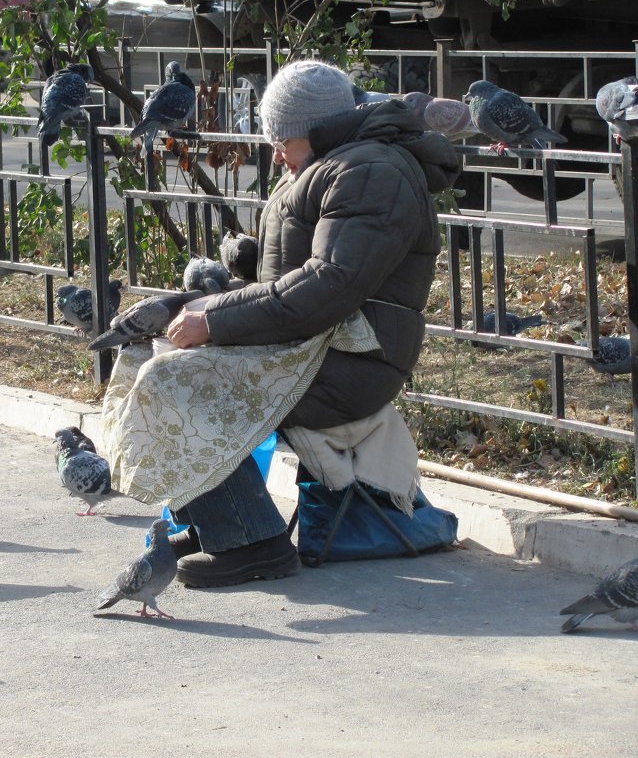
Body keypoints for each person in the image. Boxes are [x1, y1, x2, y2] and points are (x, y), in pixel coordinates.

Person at [162, 60, 460, 587]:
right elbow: (304, 274)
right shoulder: (331, 162)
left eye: (283, 141)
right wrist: (238, 275)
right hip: (316, 344)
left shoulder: (372, 172)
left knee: (189, 382)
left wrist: (216, 321)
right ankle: (217, 521)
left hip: (352, 361)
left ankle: (254, 544)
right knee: (163, 359)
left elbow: (328, 287)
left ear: (317, 131)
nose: (276, 153)